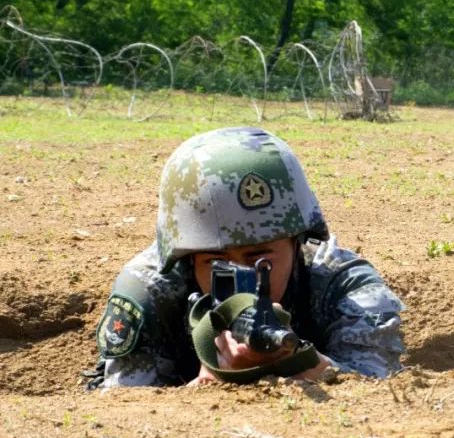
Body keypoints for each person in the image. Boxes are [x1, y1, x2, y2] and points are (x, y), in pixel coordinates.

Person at [88, 126, 404, 388]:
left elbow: (380, 386)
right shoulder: (149, 292)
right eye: (215, 262)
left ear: (297, 242)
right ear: (186, 257)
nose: (243, 278)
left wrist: (308, 367)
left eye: (260, 261)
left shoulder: (343, 284)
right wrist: (205, 386)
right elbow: (123, 407)